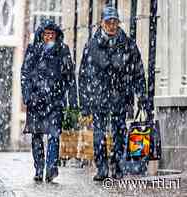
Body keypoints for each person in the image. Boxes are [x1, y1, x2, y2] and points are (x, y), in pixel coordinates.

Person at [79, 6, 148, 181]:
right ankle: (101, 168)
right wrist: (85, 103)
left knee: (119, 133)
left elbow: (138, 71)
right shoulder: (92, 45)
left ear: (118, 23)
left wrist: (141, 94)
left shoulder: (128, 44)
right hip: (99, 97)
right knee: (99, 134)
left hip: (121, 95)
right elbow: (84, 75)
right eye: (108, 22)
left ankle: (117, 167)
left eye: (114, 22)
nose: (111, 25)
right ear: (101, 23)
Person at [21, 19, 78, 182]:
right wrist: (27, 95)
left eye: (52, 34)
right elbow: (25, 73)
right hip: (36, 100)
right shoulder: (33, 50)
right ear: (42, 35)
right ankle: (39, 168)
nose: (49, 37)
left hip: (55, 101)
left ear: (56, 35)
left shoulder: (63, 50)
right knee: (36, 136)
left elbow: (69, 77)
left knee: (54, 135)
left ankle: (51, 167)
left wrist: (72, 101)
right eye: (46, 34)